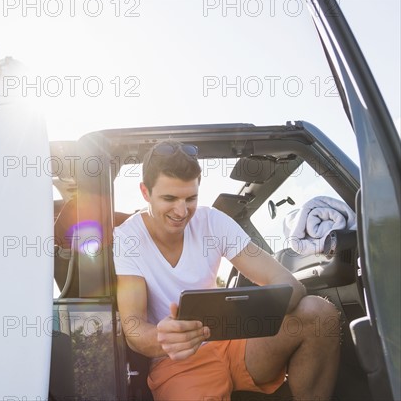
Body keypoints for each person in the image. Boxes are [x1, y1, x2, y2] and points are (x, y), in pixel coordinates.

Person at [113, 140, 341, 400]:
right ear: (145, 192)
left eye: (191, 198)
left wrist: (246, 315)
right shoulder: (127, 239)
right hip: (177, 359)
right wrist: (162, 337)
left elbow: (287, 283)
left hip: (234, 344)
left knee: (319, 313)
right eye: (169, 198)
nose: (181, 211)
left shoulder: (213, 222)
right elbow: (134, 330)